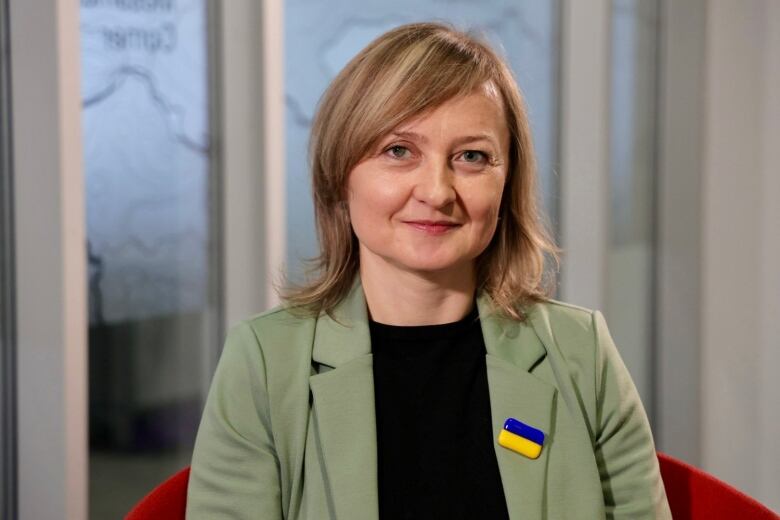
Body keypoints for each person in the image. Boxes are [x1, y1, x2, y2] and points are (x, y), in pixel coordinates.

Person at [186, 22, 671, 520]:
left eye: (471, 157)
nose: (437, 191)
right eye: (399, 151)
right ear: (339, 177)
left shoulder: (581, 352)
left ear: (507, 185)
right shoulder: (264, 364)